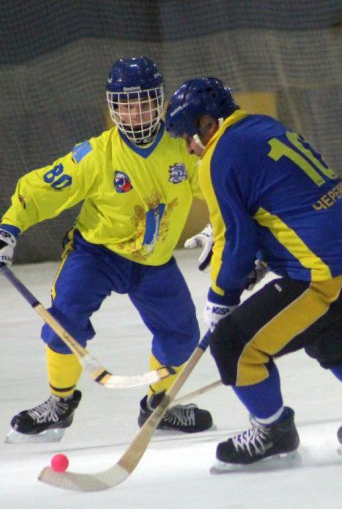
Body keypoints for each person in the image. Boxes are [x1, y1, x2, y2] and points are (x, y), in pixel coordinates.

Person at [163, 77, 342, 471]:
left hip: (330, 273)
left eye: (188, 135)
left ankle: (273, 431)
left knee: (234, 344)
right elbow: (291, 203)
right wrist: (264, 257)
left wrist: (221, 299)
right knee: (333, 341)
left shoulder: (218, 156)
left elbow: (236, 239)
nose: (189, 147)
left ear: (207, 123)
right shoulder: (265, 126)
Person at [1, 57, 214, 443]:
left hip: (154, 261)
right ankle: (59, 404)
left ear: (160, 102)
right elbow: (42, 189)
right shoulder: (97, 156)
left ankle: (159, 405)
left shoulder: (182, 147)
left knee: (181, 334)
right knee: (64, 319)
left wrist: (224, 224)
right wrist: (9, 226)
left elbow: (217, 184)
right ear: (113, 107)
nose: (135, 112)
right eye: (125, 104)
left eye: (144, 102)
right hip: (96, 255)